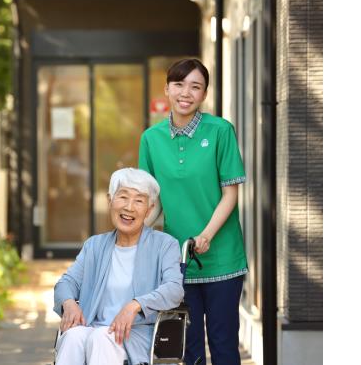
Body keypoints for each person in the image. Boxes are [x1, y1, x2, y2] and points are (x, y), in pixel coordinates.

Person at [138, 58, 248, 365]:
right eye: (179, 84)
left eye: (195, 86)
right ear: (167, 89)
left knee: (224, 343)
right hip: (177, 260)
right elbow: (153, 200)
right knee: (186, 347)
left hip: (222, 256)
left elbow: (230, 194)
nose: (186, 92)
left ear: (204, 94)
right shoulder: (151, 139)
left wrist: (206, 235)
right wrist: (137, 233)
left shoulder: (220, 131)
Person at [53, 168, 184, 365]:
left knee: (101, 338)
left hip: (137, 334)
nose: (129, 207)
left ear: (149, 209)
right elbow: (66, 282)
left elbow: (174, 289)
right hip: (94, 328)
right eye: (123, 197)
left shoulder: (165, 245)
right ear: (110, 200)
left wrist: (135, 305)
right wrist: (69, 302)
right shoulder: (95, 246)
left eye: (139, 201)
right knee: (72, 336)